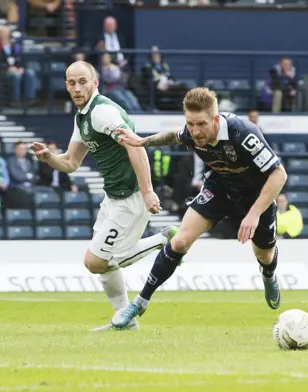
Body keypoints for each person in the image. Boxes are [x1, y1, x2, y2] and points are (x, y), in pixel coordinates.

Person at [110, 88, 287, 329]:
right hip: (220, 189)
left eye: (201, 124)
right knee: (180, 241)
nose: (195, 131)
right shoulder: (193, 131)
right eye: (190, 124)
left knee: (265, 255)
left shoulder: (242, 133)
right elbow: (174, 135)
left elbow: (279, 174)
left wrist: (254, 214)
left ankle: (268, 275)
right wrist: (143, 141)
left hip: (256, 197)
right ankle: (139, 303)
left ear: (215, 119)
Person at [29, 61, 177, 331]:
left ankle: (162, 239)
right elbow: (72, 163)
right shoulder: (82, 117)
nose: (77, 87)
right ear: (66, 85)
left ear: (95, 82)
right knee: (103, 263)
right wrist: (49, 157)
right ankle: (125, 319)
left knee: (96, 261)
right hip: (112, 198)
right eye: (71, 83)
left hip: (130, 198)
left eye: (82, 81)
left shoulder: (103, 113)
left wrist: (147, 192)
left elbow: (136, 146)